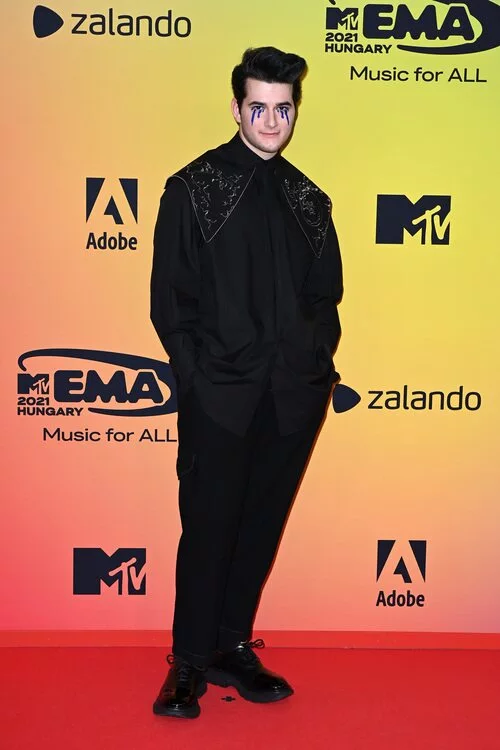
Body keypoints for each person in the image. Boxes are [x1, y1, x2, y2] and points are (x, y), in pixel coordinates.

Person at [150, 46, 343, 719]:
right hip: (220, 397)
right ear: (236, 109)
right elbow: (171, 302)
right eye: (258, 107)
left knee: (260, 526)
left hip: (292, 398)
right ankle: (188, 662)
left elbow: (326, 298)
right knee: (208, 528)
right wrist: (198, 381)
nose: (270, 121)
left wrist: (314, 370)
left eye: (282, 109)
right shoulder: (192, 189)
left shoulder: (310, 200)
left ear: (295, 111)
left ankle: (232, 646)